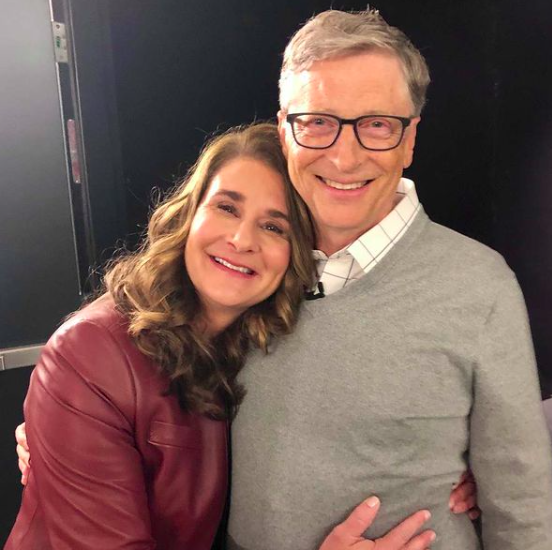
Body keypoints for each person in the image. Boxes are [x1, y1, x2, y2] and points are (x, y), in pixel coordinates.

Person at [8, 122, 450, 550]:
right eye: (227, 207)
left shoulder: (269, 344)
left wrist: (448, 465)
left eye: (274, 227)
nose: (241, 240)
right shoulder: (90, 355)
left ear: (299, 255)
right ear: (189, 214)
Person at [226, 9, 552, 550]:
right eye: (318, 121)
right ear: (285, 131)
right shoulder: (242, 262)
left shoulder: (478, 286)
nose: (344, 156)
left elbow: (524, 509)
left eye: (377, 124)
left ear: (409, 139)